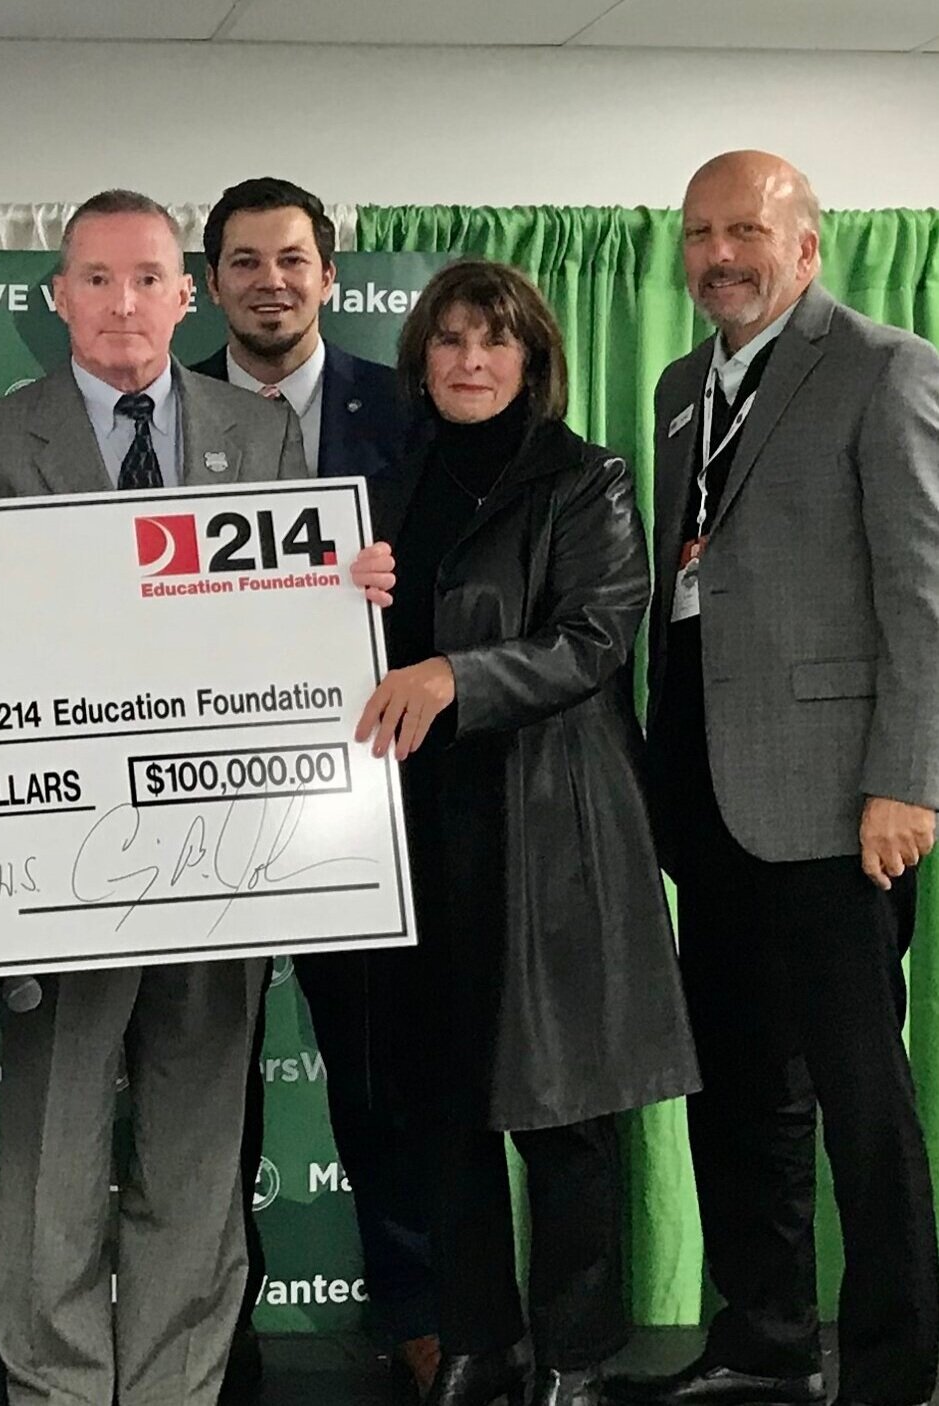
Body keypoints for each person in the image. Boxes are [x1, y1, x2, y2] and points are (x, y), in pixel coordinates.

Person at [0, 188, 308, 1406]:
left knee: (196, 1149)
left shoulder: (260, 438)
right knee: (55, 1149)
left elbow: (288, 633)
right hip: (60, 861)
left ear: (185, 295)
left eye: (147, 277)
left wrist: (343, 590)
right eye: (95, 278)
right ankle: (56, 1385)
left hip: (217, 854)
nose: (122, 302)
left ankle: (171, 1386)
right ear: (59, 297)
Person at [610, 150, 939, 1406]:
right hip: (707, 796)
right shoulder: (681, 385)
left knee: (860, 1094)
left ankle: (897, 1363)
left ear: (806, 245)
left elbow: (924, 592)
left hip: (842, 803)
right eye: (699, 233)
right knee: (740, 1086)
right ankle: (764, 1335)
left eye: (744, 229)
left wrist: (908, 779)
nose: (717, 255)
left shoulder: (884, 367)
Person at [357, 259, 700, 1406]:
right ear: (422, 358)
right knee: (444, 1108)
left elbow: (594, 638)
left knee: (563, 1113)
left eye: (493, 341)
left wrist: (456, 674)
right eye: (450, 340)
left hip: (552, 829)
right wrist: (335, 591)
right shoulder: (385, 489)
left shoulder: (586, 478)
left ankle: (574, 1353)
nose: (470, 361)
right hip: (419, 830)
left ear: (532, 358)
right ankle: (477, 1339)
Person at [190, 175, 434, 1402]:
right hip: (200, 806)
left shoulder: (408, 408)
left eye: (292, 258)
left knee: (384, 1075)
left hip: (365, 797)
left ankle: (419, 1310)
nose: (270, 282)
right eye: (244, 261)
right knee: (201, 1089)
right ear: (210, 283)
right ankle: (208, 1324)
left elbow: (452, 587)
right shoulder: (159, 409)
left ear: (330, 275)